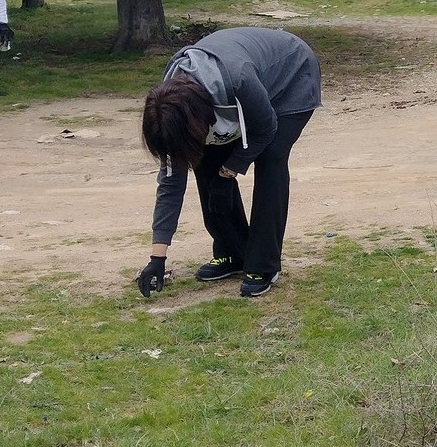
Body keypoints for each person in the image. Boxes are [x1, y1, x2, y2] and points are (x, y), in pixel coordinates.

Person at [136, 27, 321, 300]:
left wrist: (229, 171)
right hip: (243, 87)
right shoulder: (171, 105)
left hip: (292, 75)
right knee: (202, 157)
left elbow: (265, 129)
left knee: (270, 158)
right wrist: (157, 257)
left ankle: (263, 265)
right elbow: (171, 182)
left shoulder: (238, 80)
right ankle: (233, 252)